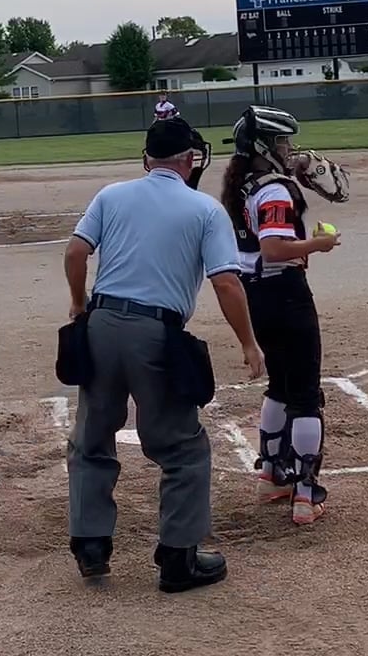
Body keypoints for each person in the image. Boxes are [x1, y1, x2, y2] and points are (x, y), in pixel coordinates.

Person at [63, 116, 265, 593]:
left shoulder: (111, 195)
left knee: (91, 438)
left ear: (147, 158)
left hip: (101, 324)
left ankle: (91, 546)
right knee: (181, 447)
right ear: (189, 159)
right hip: (156, 333)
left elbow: (74, 253)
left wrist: (79, 303)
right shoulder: (205, 209)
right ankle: (178, 559)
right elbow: (226, 282)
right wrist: (248, 342)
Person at [221, 105, 339, 526]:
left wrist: (297, 170)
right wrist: (319, 245)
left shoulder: (240, 183)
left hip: (254, 295)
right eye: (282, 142)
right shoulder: (274, 191)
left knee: (280, 386)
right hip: (284, 293)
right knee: (305, 394)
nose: (289, 148)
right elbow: (274, 248)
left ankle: (272, 475)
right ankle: (305, 494)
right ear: (263, 146)